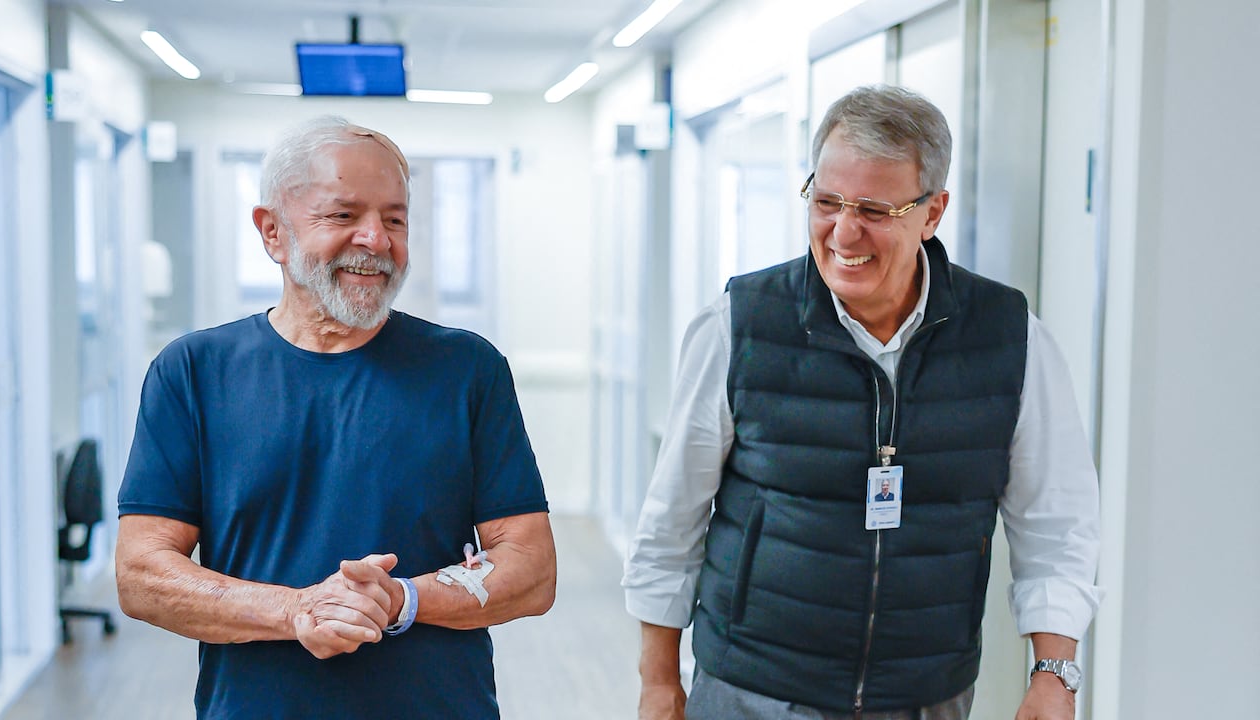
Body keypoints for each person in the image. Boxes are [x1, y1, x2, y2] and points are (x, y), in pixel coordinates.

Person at [623, 85, 1101, 720]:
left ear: (932, 213)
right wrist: (659, 683)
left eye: (875, 209)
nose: (844, 232)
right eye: (826, 202)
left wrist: (1054, 673)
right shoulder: (740, 326)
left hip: (925, 696)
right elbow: (671, 522)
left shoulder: (1010, 338)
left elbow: (1058, 525)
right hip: (754, 691)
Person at [115, 116, 556, 719]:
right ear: (272, 232)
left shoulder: (467, 368)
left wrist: (401, 601)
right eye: (343, 216)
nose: (375, 239)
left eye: (395, 219)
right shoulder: (193, 371)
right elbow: (142, 575)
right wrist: (298, 611)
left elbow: (532, 569)